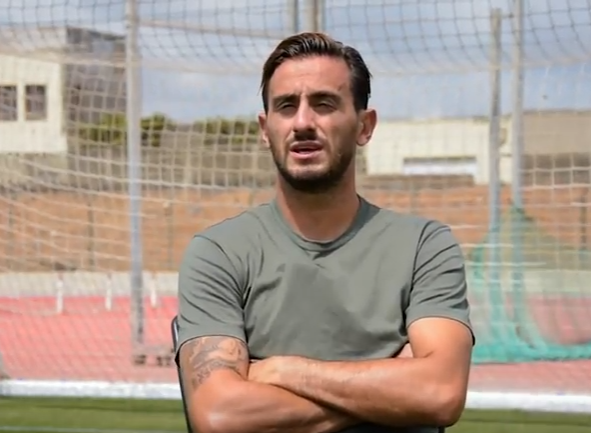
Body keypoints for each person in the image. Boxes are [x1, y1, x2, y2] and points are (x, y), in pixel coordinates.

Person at [175, 32, 475, 433]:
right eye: (286, 106)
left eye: (324, 104)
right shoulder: (219, 253)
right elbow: (220, 417)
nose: (302, 123)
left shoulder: (424, 247)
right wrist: (393, 390)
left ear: (364, 126)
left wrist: (286, 371)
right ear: (265, 129)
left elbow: (439, 393)